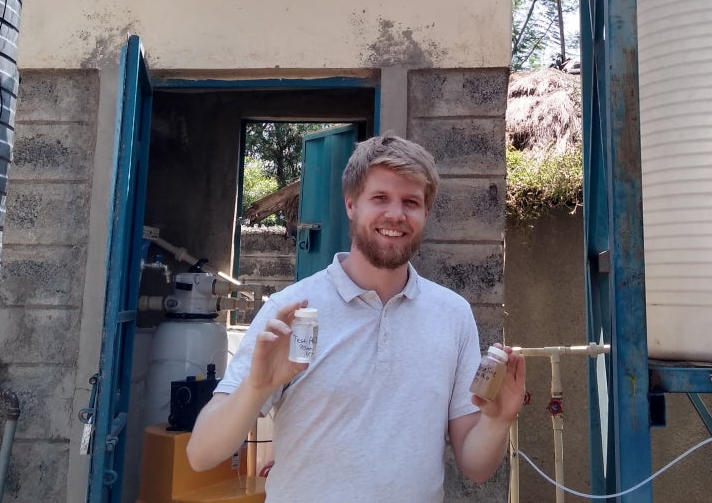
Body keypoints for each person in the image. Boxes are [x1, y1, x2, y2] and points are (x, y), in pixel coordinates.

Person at [186, 132, 526, 502]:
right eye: (380, 198)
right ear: (351, 204)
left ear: (425, 212)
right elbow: (201, 454)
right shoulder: (292, 309)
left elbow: (476, 466)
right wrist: (255, 389)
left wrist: (496, 421)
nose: (396, 214)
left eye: (410, 201)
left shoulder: (453, 315)